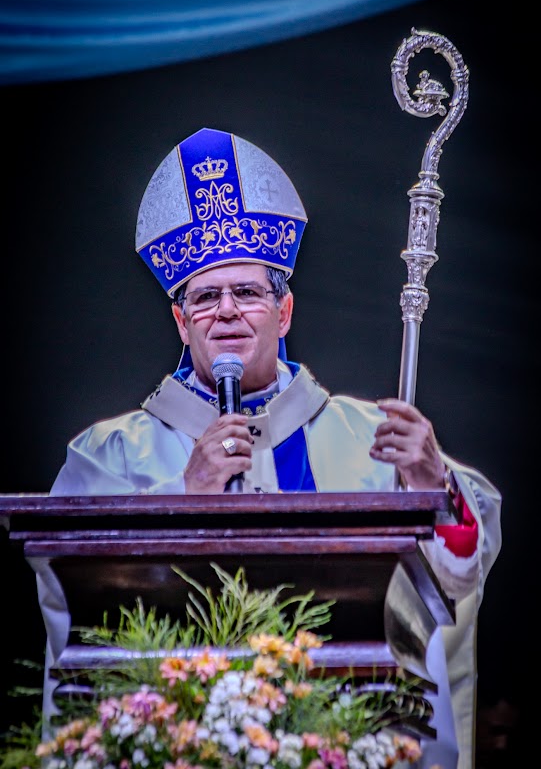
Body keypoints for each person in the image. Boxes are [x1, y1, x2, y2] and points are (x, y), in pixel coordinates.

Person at [35, 127, 501, 769]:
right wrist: (184, 498)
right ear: (180, 320)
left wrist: (431, 483)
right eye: (205, 297)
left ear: (283, 313)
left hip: (347, 738)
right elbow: (68, 597)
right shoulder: (109, 455)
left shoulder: (373, 439)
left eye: (248, 293)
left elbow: (458, 576)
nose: (227, 311)